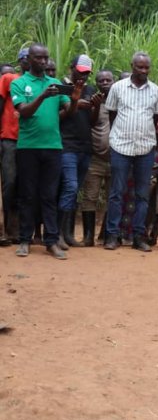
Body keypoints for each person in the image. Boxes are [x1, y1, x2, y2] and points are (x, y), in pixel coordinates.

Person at [11, 43, 84, 259]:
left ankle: (51, 241)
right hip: (28, 147)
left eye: (46, 58)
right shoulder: (19, 83)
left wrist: (74, 100)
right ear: (29, 59)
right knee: (27, 195)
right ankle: (25, 240)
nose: (43, 62)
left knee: (49, 195)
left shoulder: (56, 84)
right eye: (39, 58)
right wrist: (43, 96)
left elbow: (69, 112)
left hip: (53, 147)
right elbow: (24, 111)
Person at [103, 52, 158, 252]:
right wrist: (118, 137)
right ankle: (113, 235)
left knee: (142, 195)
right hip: (121, 147)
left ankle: (139, 236)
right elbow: (112, 115)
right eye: (140, 67)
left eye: (147, 67)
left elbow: (155, 119)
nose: (144, 71)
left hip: (145, 148)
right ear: (132, 66)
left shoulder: (156, 91)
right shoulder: (117, 88)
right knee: (116, 193)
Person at [57, 54, 96, 249]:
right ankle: (56, 234)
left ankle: (68, 234)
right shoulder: (61, 87)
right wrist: (75, 102)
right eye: (80, 72)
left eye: (86, 73)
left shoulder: (90, 90)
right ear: (71, 68)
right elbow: (58, 116)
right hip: (67, 146)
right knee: (70, 187)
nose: (83, 76)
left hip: (85, 147)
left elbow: (92, 122)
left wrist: (96, 106)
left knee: (74, 191)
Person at [80, 69, 115, 247]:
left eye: (108, 80)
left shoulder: (120, 102)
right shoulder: (92, 103)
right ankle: (88, 237)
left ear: (114, 82)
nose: (105, 83)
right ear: (97, 83)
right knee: (90, 197)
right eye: (101, 80)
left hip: (116, 159)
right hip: (95, 158)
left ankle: (108, 236)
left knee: (113, 198)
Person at [0, 47, 30, 244]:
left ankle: (15, 231)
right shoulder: (9, 78)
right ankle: (3, 229)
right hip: (10, 138)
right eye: (25, 58)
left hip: (30, 141)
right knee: (9, 183)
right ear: (20, 61)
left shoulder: (40, 83)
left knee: (23, 185)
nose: (29, 61)